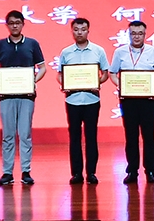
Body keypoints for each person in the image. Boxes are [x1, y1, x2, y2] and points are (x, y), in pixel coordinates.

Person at [0, 10, 47, 186]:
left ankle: (26, 171)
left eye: (17, 23)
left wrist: (33, 81)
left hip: (27, 95)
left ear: (23, 24)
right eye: (11, 23)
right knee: (8, 135)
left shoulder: (32, 44)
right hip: (6, 96)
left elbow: (42, 67)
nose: (14, 26)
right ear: (7, 25)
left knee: (25, 133)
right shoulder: (0, 45)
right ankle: (7, 172)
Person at [109, 20, 154, 184]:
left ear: (145, 34)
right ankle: (132, 171)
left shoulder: (153, 51)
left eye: (140, 33)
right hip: (128, 100)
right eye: (133, 33)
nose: (136, 37)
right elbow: (112, 73)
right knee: (131, 136)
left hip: (148, 100)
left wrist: (153, 86)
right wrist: (121, 86)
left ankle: (150, 171)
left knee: (149, 136)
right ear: (129, 34)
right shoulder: (120, 52)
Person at [57, 18, 110, 185]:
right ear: (72, 31)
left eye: (83, 29)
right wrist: (65, 84)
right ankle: (76, 173)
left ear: (88, 31)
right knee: (74, 137)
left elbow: (105, 73)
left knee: (91, 136)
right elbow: (60, 75)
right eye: (76, 29)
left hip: (92, 99)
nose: (79, 32)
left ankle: (91, 173)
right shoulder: (66, 52)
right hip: (72, 100)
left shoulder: (98, 51)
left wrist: (96, 82)